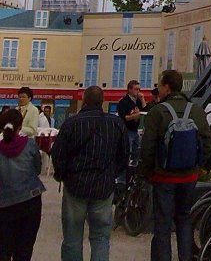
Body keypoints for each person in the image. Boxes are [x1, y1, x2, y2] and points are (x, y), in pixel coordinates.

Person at [139, 68, 211, 261]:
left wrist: (148, 172)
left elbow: (147, 147)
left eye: (160, 85)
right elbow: (208, 144)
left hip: (163, 176)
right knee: (184, 219)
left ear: (166, 87)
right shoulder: (196, 111)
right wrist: (197, 166)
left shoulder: (157, 112)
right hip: (188, 176)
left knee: (163, 224)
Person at [51, 84, 128, 261]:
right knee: (101, 238)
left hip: (75, 185)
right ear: (102, 102)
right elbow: (124, 154)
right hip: (103, 187)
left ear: (84, 101)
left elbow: (58, 154)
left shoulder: (71, 123)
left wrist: (62, 175)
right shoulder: (115, 123)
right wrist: (111, 174)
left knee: (72, 238)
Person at [0, 108, 45, 261]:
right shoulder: (30, 145)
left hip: (4, 204)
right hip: (30, 201)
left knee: (4, 249)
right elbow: (37, 169)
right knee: (24, 250)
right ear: (20, 126)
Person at [116, 79, 144, 170]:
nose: (138, 91)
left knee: (136, 152)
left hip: (135, 130)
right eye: (136, 89)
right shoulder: (124, 102)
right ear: (129, 89)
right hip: (127, 130)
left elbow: (145, 110)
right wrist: (135, 116)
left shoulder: (138, 101)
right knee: (127, 152)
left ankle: (133, 170)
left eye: (139, 89)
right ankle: (122, 175)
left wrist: (142, 99)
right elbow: (123, 117)